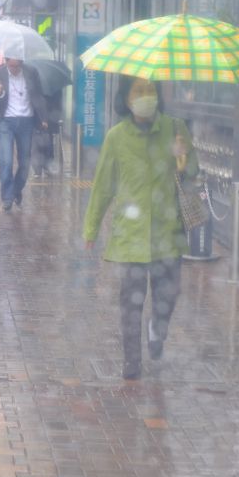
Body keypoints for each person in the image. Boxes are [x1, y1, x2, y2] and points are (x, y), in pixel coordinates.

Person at [83, 77, 199, 380]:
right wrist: (91, 228)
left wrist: (183, 159)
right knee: (130, 301)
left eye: (150, 90)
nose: (146, 97)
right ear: (127, 98)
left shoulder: (175, 128)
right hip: (130, 234)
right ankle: (131, 360)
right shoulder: (116, 137)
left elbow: (193, 172)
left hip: (167, 232)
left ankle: (157, 331)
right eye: (139, 91)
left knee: (168, 296)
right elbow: (103, 186)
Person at [0, 56, 48, 211]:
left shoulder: (31, 72)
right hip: (6, 121)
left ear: (21, 63)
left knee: (24, 163)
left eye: (16, 66)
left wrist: (44, 118)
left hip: (27, 121)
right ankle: (7, 198)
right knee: (6, 161)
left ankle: (16, 189)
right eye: (10, 66)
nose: (13, 69)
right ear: (6, 62)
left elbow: (38, 96)